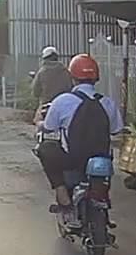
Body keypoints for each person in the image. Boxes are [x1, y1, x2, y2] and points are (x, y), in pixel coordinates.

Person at [39, 53, 124, 229]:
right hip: (102, 161)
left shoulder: (62, 101)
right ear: (96, 78)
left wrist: (39, 124)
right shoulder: (108, 103)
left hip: (73, 160)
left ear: (73, 77)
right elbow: (116, 130)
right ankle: (102, 203)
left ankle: (63, 197)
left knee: (45, 148)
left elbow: (49, 128)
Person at [31, 46, 71, 120]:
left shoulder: (41, 72)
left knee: (38, 121)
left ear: (44, 58)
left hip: (46, 105)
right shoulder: (65, 71)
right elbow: (71, 87)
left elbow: (35, 92)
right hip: (63, 105)